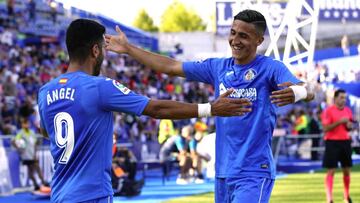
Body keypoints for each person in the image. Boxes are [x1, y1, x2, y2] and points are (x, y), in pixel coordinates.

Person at [105, 9, 315, 202]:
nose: (235, 40)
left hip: (253, 172)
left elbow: (306, 89)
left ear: (259, 40)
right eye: (233, 33)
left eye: (244, 35)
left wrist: (297, 92)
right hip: (222, 172)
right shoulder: (218, 67)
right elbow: (170, 66)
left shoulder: (270, 68)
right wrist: (128, 49)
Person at [37, 19, 252, 203]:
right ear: (95, 50)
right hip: (91, 194)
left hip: (60, 195)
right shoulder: (99, 86)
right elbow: (155, 108)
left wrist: (91, 133)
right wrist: (210, 109)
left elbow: (47, 131)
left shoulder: (45, 92)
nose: (103, 54)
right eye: (103, 49)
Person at [321, 89, 354, 203]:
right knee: (331, 171)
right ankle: (329, 199)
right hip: (332, 142)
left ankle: (346, 196)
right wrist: (340, 122)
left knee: (347, 171)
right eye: (341, 97)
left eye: (345, 98)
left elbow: (349, 127)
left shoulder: (348, 111)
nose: (343, 100)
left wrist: (349, 125)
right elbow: (325, 128)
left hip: (345, 142)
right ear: (335, 98)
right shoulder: (328, 111)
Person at [12, 117, 48, 191]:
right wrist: (19, 148)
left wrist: (35, 153)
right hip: (25, 156)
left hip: (32, 154)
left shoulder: (32, 132)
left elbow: (35, 144)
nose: (26, 125)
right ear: (22, 125)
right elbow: (14, 141)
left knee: (36, 168)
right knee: (31, 169)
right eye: (24, 124)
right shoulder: (20, 133)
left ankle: (42, 183)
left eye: (27, 123)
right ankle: (38, 184)